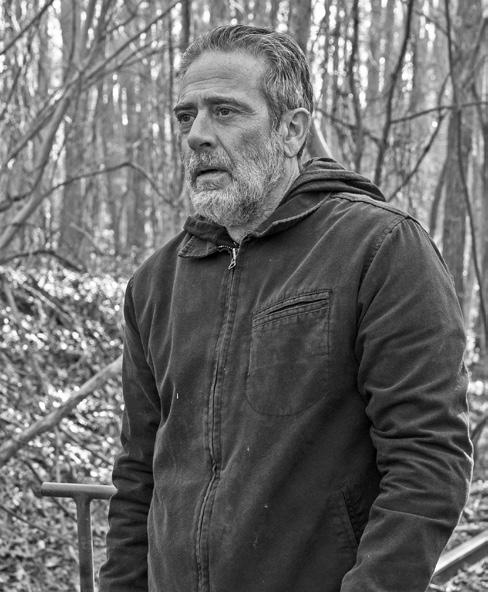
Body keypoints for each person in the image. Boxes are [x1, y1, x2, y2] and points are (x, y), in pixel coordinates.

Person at [99, 24, 472, 592]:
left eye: (225, 111)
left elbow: (428, 460)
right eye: (185, 116)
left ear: (293, 130)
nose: (196, 135)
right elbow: (137, 476)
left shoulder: (378, 250)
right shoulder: (156, 283)